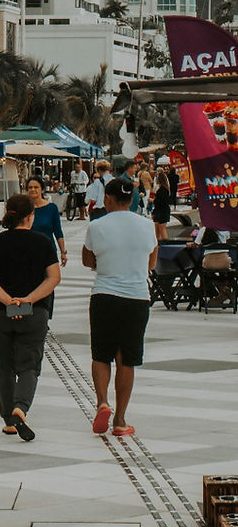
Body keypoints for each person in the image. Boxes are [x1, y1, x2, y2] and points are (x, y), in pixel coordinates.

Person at [81, 176, 158, 439]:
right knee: (127, 358)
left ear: (109, 198)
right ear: (131, 199)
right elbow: (151, 264)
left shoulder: (97, 226)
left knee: (101, 354)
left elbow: (87, 260)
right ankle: (120, 420)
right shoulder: (147, 226)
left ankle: (102, 402)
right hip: (136, 298)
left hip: (104, 295)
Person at [0, 194, 61, 442]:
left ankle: (8, 420)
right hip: (34, 312)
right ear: (30, 217)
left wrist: (7, 300)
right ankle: (20, 408)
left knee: (4, 366)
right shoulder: (42, 242)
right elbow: (54, 277)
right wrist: (29, 299)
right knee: (29, 365)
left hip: (0, 311)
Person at [26, 177, 67, 268]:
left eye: (36, 187)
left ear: (42, 189)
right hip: (28, 252)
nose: (33, 190)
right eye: (30, 187)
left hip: (48, 251)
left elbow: (58, 232)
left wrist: (63, 252)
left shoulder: (52, 208)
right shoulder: (24, 208)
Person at [152, 167, 172, 242]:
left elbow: (161, 201)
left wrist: (153, 200)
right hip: (161, 210)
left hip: (161, 211)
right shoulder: (165, 188)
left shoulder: (162, 189)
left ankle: (165, 244)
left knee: (161, 229)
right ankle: (158, 244)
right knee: (158, 229)